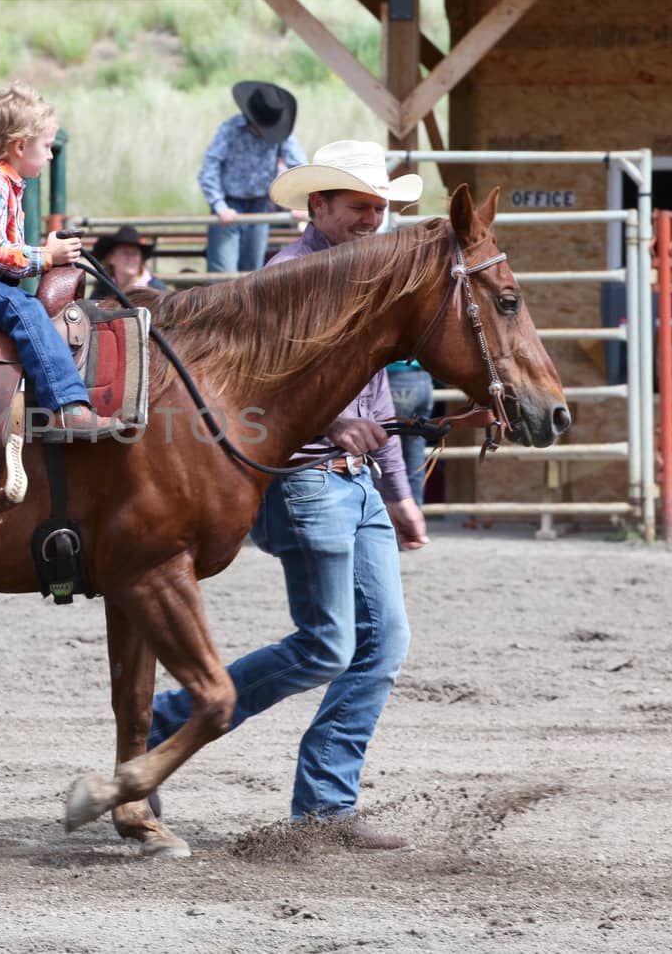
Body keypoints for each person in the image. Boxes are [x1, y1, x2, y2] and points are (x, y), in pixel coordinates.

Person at [149, 139, 428, 849]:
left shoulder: (370, 282)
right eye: (359, 207)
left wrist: (397, 492)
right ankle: (171, 720)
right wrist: (333, 422)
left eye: (381, 209)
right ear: (319, 207)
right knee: (326, 644)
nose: (373, 220)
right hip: (303, 477)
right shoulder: (287, 277)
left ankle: (327, 805)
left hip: (357, 483)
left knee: (381, 641)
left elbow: (377, 393)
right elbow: (256, 388)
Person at [0, 82, 121, 438]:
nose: (50, 156)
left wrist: (43, 251)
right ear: (20, 146)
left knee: (26, 307)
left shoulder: (4, 183)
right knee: (27, 312)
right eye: (47, 146)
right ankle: (66, 405)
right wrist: (48, 256)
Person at [197, 81, 307, 274]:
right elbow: (210, 167)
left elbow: (299, 166)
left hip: (260, 205)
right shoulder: (230, 129)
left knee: (253, 273)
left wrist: (299, 202)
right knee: (223, 273)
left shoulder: (281, 133)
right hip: (230, 204)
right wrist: (220, 205)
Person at [385, 360, 435, 504]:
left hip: (393, 375)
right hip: (423, 379)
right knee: (416, 455)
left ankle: (389, 515)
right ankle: (414, 512)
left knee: (383, 449)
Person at [89, 225, 167, 298]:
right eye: (125, 252)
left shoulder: (156, 290)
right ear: (111, 258)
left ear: (141, 259)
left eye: (135, 253)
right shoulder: (103, 289)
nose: (130, 258)